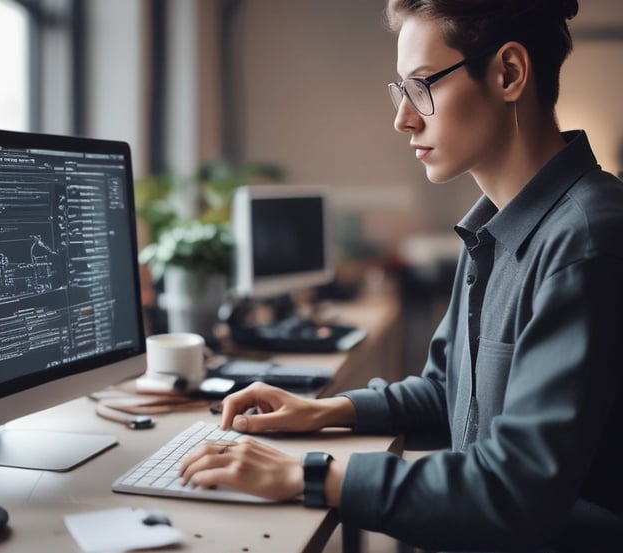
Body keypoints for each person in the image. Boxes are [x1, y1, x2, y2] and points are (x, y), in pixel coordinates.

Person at [180, 0, 623, 551]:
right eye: (403, 91)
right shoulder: (493, 227)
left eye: (421, 86)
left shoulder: (587, 241)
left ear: (509, 73)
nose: (404, 118)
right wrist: (323, 411)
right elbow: (449, 393)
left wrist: (309, 474)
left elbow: (515, 490)